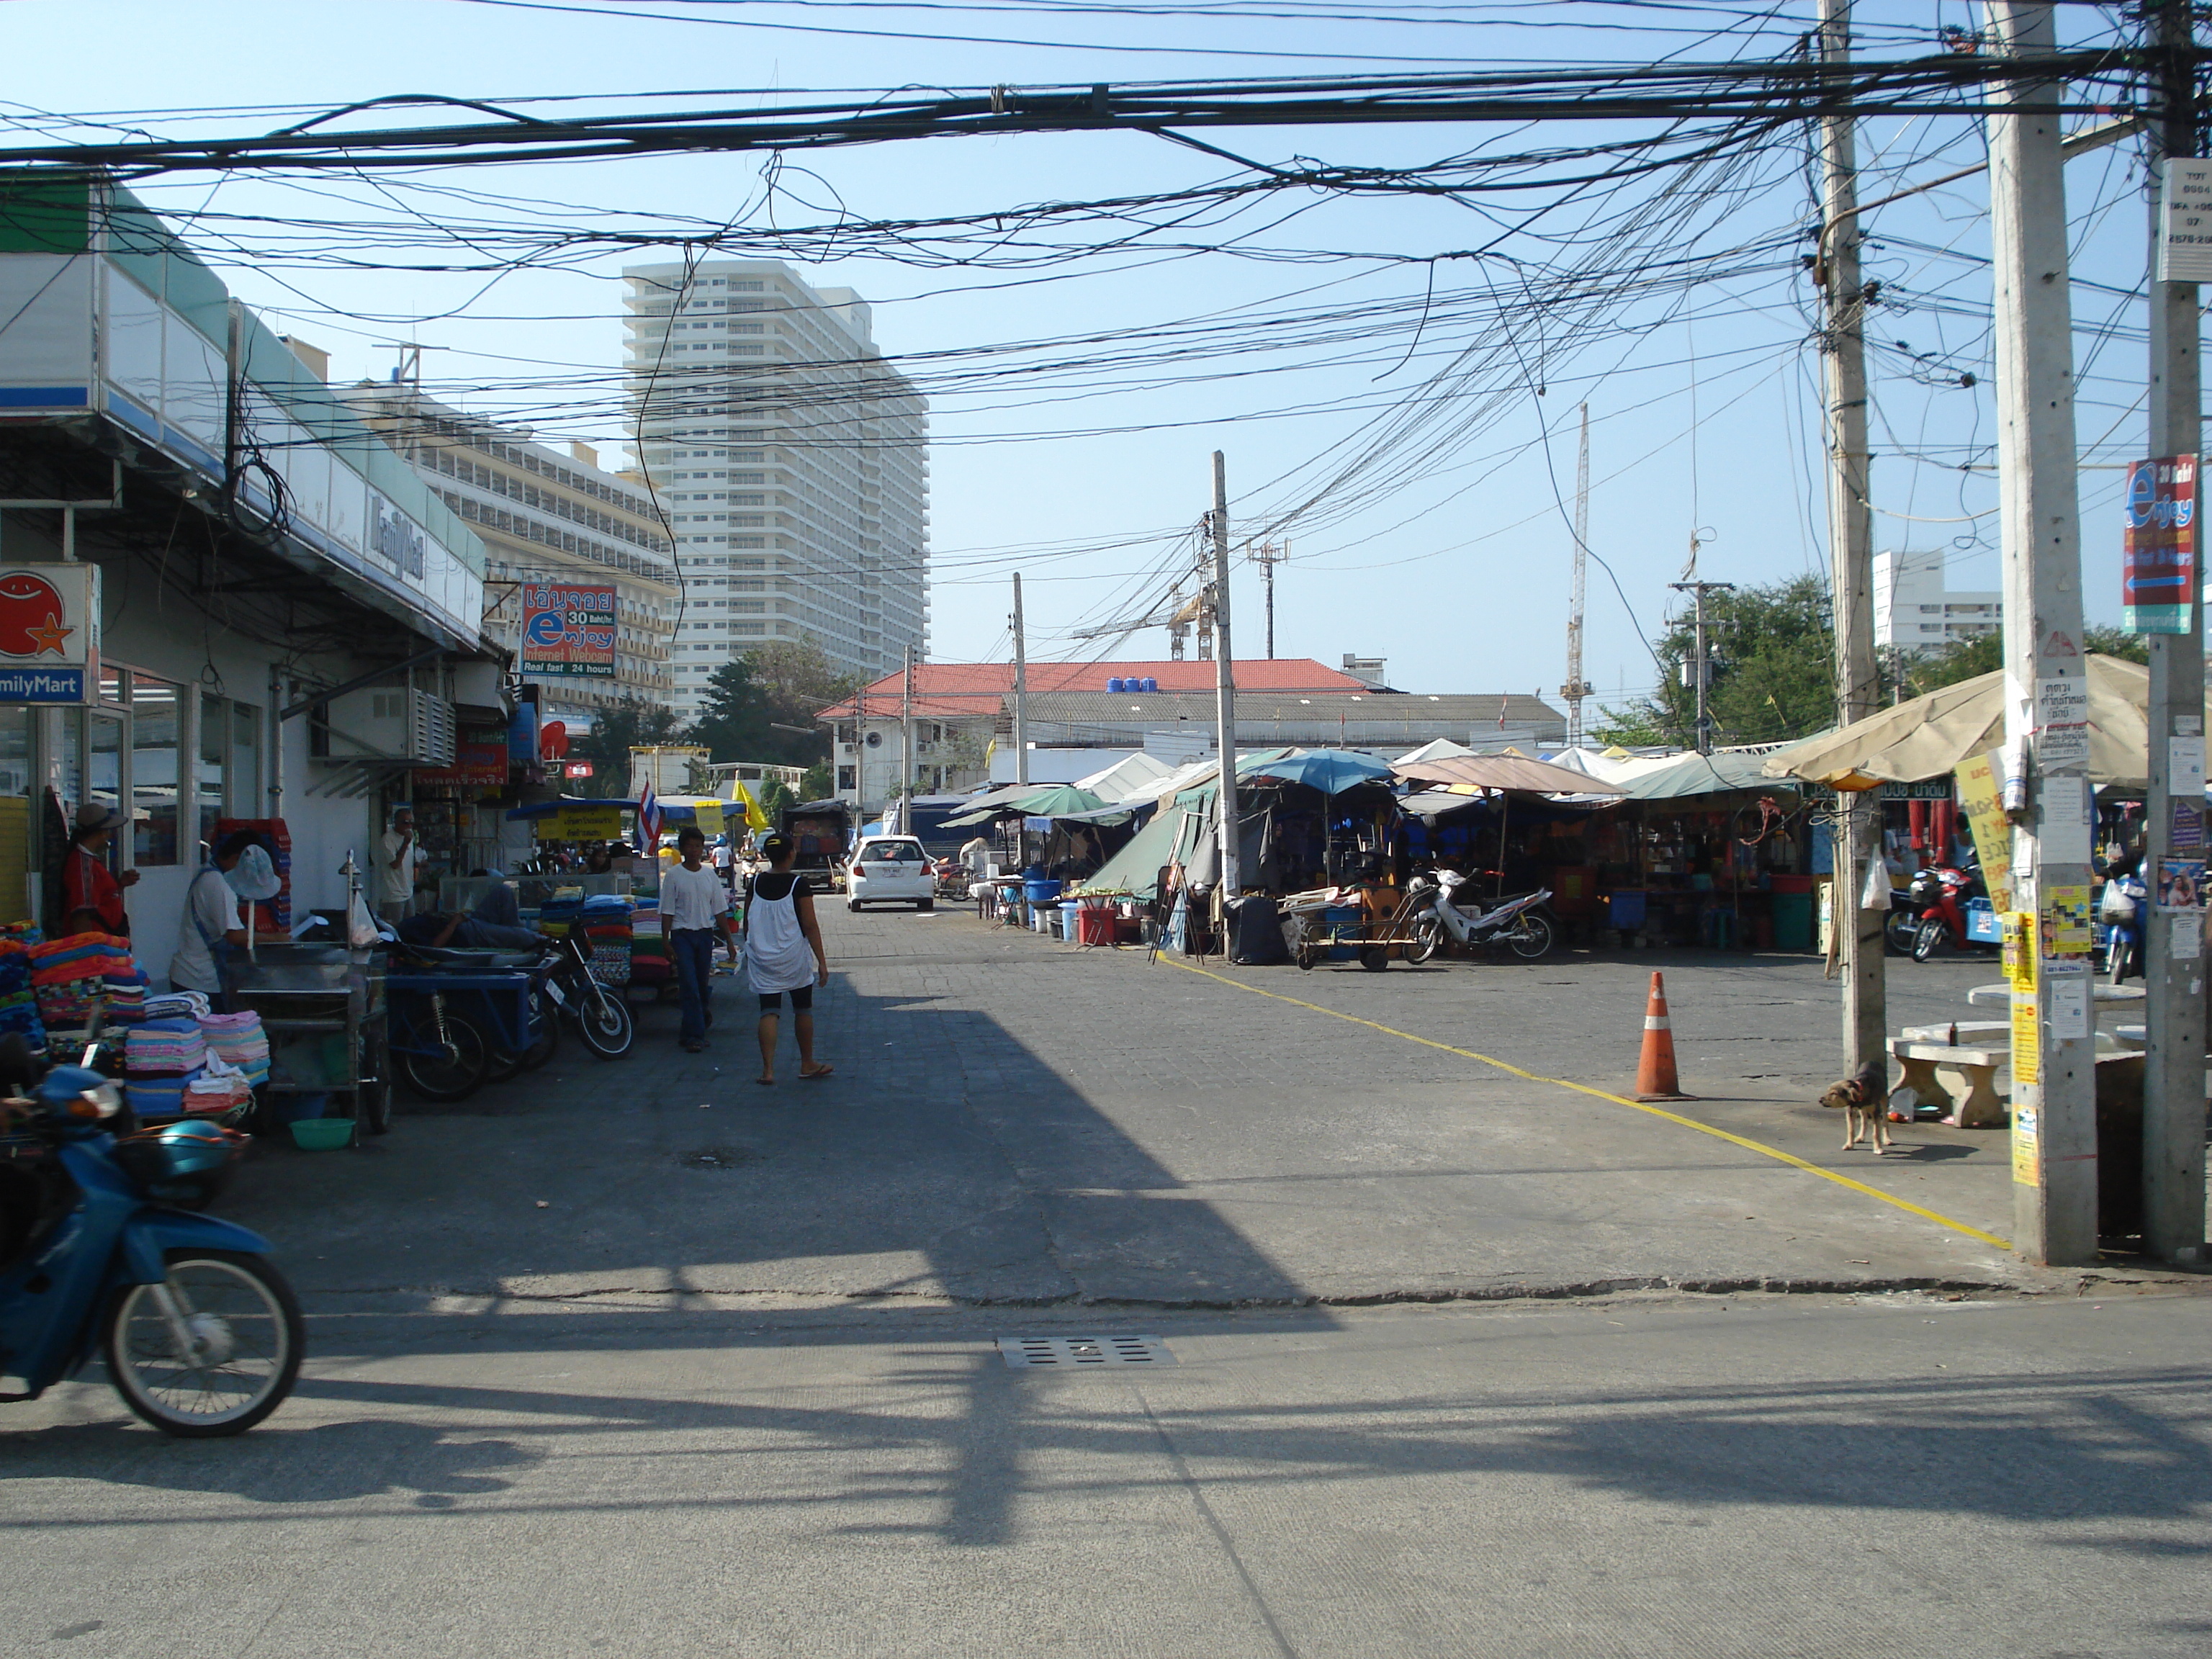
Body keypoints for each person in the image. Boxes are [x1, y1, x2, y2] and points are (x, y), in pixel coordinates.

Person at [741, 832, 831, 1084]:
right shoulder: (798, 884)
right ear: (791, 854)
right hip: (793, 957)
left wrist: (752, 947)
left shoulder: (755, 883)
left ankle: (768, 1071)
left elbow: (748, 922)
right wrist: (822, 962)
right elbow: (810, 925)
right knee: (803, 1009)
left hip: (763, 958)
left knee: (768, 1011)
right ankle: (807, 1063)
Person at [660, 825, 734, 1053]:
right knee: (689, 986)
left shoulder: (709, 874)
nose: (693, 850)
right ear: (682, 849)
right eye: (689, 846)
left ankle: (691, 1029)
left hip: (705, 935)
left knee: (701, 986)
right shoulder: (673, 875)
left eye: (697, 846)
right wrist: (666, 941)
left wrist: (730, 942)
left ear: (703, 849)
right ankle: (695, 1036)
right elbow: (667, 911)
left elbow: (719, 910)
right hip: (682, 936)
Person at [168, 832, 273, 995]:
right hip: (199, 978)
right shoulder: (218, 884)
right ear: (237, 858)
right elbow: (235, 936)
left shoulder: (208, 871)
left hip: (191, 972)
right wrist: (274, 939)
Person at [63, 804, 138, 937]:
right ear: (102, 832)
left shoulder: (89, 861)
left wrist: (119, 884)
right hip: (97, 944)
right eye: (108, 831)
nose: (109, 835)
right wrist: (89, 951)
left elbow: (101, 897)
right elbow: (81, 914)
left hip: (106, 939)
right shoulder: (82, 864)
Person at [377, 804, 423, 924]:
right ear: (396, 822)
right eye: (405, 822)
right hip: (394, 893)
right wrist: (405, 843)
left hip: (408, 890)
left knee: (410, 927)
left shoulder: (411, 837)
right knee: (395, 927)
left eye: (411, 823)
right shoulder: (388, 839)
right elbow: (395, 864)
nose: (409, 826)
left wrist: (419, 863)